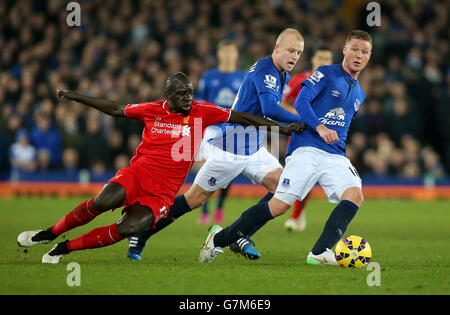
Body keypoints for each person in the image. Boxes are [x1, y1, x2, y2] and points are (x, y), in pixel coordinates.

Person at [17, 72, 302, 264]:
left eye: (190, 93)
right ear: (168, 96)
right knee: (103, 202)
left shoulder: (204, 111)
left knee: (127, 228)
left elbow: (242, 117)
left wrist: (281, 129)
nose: (188, 98)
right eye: (182, 94)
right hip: (137, 173)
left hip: (164, 191)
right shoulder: (153, 109)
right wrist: (76, 96)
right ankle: (50, 232)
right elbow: (116, 109)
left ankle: (64, 248)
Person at [126, 28, 305, 261]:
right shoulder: (265, 71)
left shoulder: (282, 74)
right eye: (291, 50)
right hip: (230, 148)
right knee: (194, 199)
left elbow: (266, 111)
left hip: (254, 148)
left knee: (284, 188)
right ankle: (141, 234)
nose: (295, 56)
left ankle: (239, 235)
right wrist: (304, 120)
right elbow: (270, 109)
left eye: (299, 53)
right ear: (277, 48)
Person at [199, 30, 372, 266]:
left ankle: (320, 252)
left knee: (355, 194)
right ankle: (218, 239)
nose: (358, 55)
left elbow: (341, 126)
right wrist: (319, 127)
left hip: (334, 154)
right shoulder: (326, 73)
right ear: (344, 50)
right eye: (354, 49)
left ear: (369, 56)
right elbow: (301, 100)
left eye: (364, 51)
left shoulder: (359, 94)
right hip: (307, 148)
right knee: (279, 205)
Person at [281, 45, 333, 232]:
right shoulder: (299, 80)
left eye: (327, 59)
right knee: (296, 174)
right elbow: (281, 101)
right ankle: (295, 213)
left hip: (322, 135)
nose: (323, 62)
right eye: (320, 58)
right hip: (301, 132)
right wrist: (297, 114)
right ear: (313, 60)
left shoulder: (335, 83)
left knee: (311, 176)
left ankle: (296, 214)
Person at [194, 39, 245, 226]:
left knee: (229, 168)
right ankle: (205, 208)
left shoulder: (243, 77)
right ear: (219, 54)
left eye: (232, 52)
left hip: (233, 127)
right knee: (204, 164)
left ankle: (220, 206)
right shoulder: (208, 76)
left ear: (236, 55)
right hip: (212, 126)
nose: (228, 55)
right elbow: (200, 100)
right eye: (225, 52)